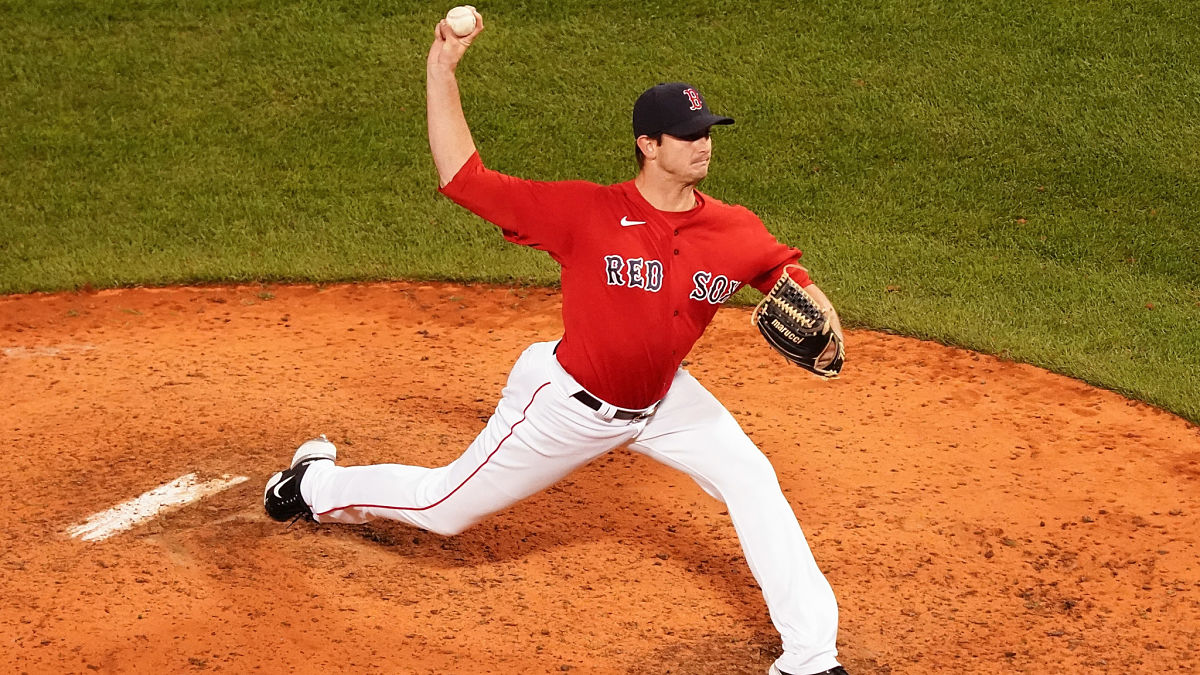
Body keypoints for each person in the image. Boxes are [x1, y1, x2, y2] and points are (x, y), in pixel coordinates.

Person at [264, 10, 847, 675]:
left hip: (665, 400)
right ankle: (317, 484)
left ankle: (810, 656)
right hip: (569, 403)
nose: (703, 145)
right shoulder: (587, 212)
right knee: (444, 507)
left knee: (752, 477)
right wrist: (441, 68)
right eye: (688, 135)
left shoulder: (733, 228)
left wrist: (826, 328)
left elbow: (786, 274)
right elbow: (464, 179)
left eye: (707, 132)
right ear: (647, 144)